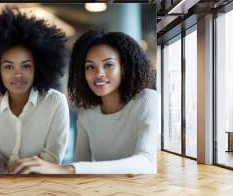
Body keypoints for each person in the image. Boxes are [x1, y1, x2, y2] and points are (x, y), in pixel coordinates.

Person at [9, 30, 160, 174]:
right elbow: (80, 166)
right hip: (105, 193)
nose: (99, 73)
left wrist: (67, 169)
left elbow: (147, 162)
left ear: (124, 68)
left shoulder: (147, 99)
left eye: (108, 65)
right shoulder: (87, 115)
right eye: (90, 67)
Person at [0, 7, 70, 171]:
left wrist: (7, 170)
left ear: (37, 68)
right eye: (8, 67)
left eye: (26, 66)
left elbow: (51, 161)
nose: (18, 75)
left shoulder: (55, 102)